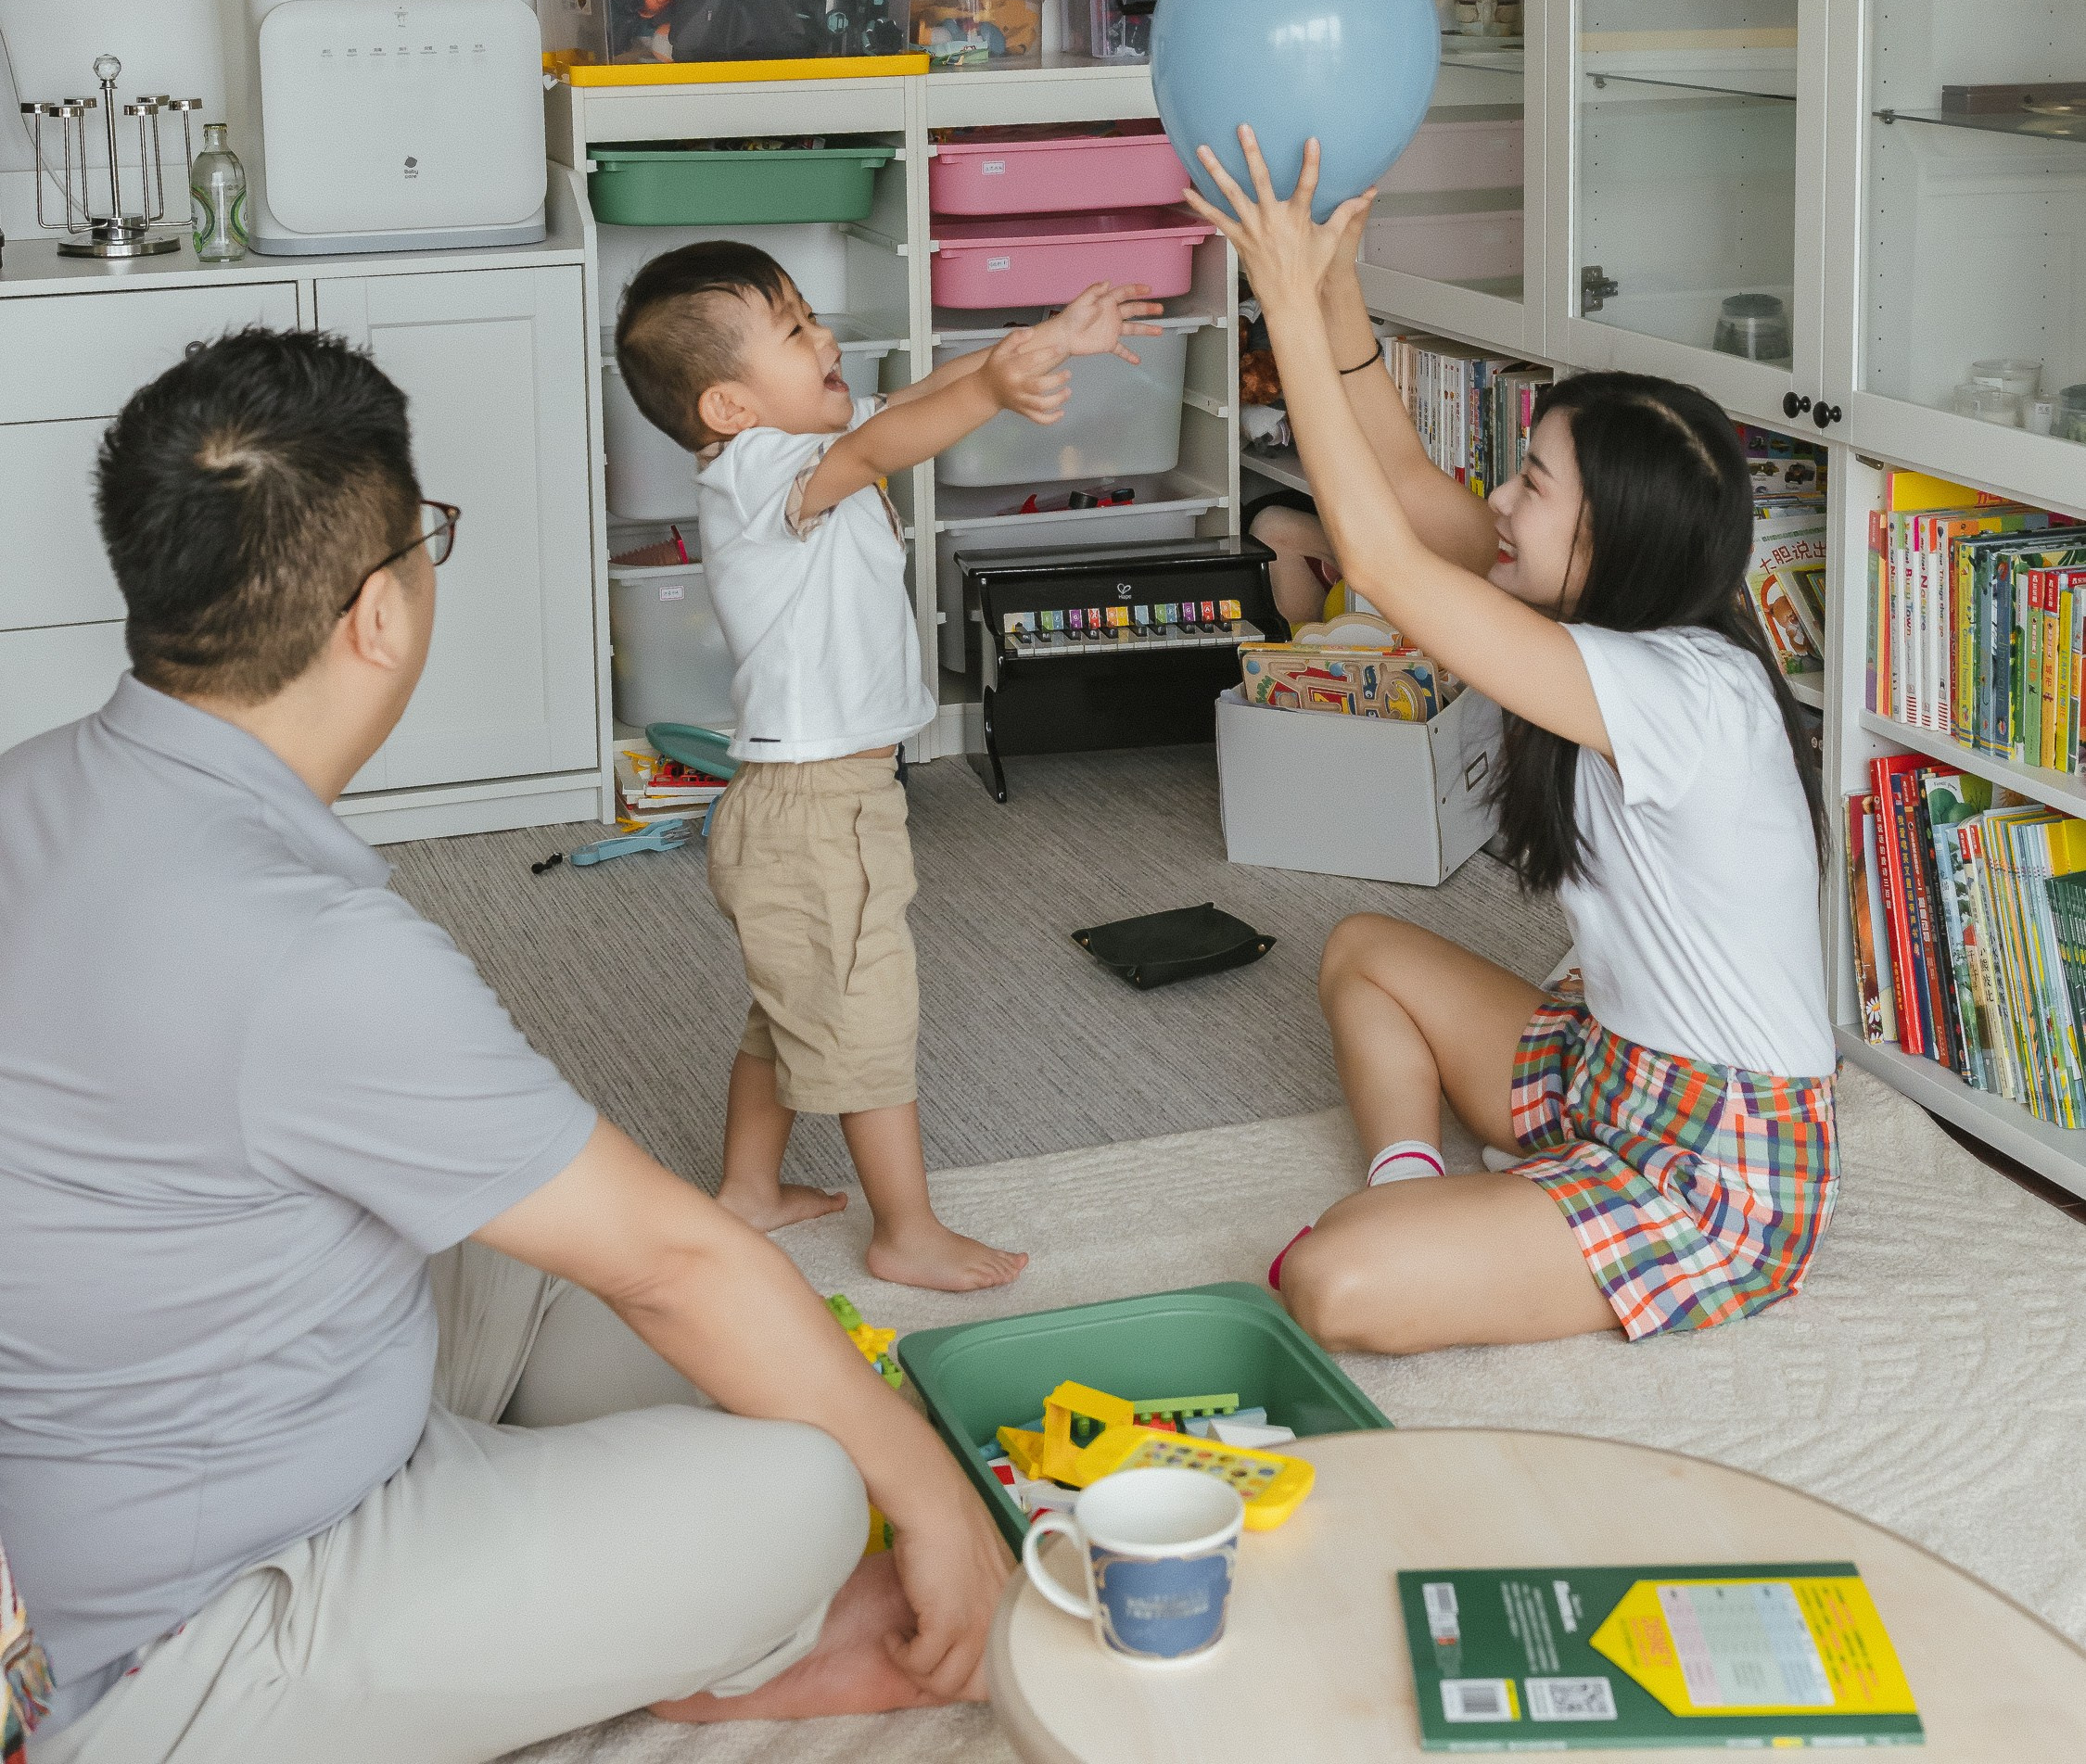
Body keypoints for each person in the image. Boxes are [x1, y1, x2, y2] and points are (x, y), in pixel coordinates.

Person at [0, 328, 1011, 1762]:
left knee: (564, 1250)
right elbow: (676, 1262)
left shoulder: (35, 787)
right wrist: (930, 1496)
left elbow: (637, 1245)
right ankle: (704, 1650)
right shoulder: (305, 953)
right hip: (191, 1633)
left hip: (216, 1396)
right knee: (798, 1485)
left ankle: (584, 1571)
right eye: (427, 544)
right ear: (378, 617)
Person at [1185, 131, 1838, 1358]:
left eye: (1529, 484)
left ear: (1600, 541)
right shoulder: (1603, 615)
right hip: (1612, 1072)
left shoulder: (1682, 690)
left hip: (1717, 1161)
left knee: (1333, 1290)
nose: (1496, 499)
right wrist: (1329, 284)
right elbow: (1400, 482)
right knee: (1365, 952)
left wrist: (1269, 298)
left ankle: (1417, 1230)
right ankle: (1407, 1185)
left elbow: (1376, 556)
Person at [615, 244, 1154, 1293]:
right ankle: (905, 1229)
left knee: (792, 1006)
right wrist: (995, 390)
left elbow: (916, 400)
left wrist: (1048, 342)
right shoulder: (760, 469)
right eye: (795, 333)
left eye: (815, 318)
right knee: (867, 1019)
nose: (826, 340)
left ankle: (749, 1190)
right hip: (815, 812)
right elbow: (886, 445)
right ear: (729, 406)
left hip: (815, 803)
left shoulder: (791, 447)